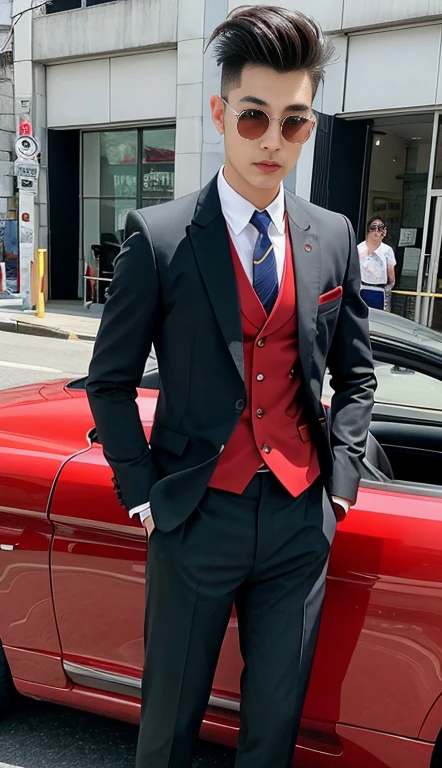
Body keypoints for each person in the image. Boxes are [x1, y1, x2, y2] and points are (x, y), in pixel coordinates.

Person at [86, 7, 376, 768]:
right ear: (220, 113)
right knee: (170, 723)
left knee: (273, 727)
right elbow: (109, 383)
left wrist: (339, 489)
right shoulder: (161, 237)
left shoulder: (334, 235)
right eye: (254, 118)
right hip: (193, 515)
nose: (274, 142)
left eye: (295, 122)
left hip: (296, 521)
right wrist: (145, 496)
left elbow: (357, 376)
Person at [357, 216, 396, 310]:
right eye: (373, 227)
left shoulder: (387, 250)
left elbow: (391, 276)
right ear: (368, 230)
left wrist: (387, 291)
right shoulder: (359, 248)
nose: (376, 231)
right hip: (362, 289)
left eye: (380, 228)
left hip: (380, 291)